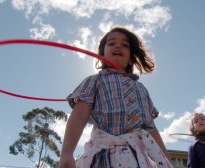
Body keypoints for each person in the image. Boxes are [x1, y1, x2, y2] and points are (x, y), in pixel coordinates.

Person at [58, 26, 173, 168]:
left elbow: (151, 129)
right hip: (103, 156)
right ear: (102, 55)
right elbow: (80, 115)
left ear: (131, 59)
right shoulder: (94, 80)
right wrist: (67, 153)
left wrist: (168, 162)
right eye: (111, 43)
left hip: (137, 159)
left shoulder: (141, 89)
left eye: (125, 45)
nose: (118, 46)